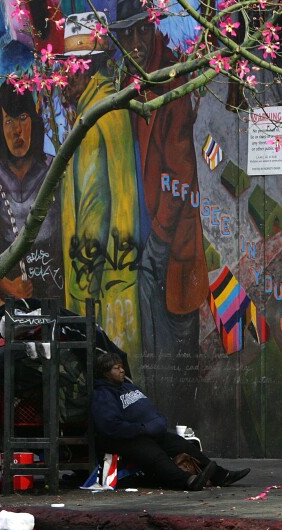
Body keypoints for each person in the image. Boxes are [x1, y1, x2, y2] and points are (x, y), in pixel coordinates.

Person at [110, 0, 209, 423]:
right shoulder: (135, 81)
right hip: (150, 238)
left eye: (140, 32)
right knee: (156, 352)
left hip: (171, 243)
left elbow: (181, 171)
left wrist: (159, 241)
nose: (134, 43)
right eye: (126, 34)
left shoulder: (169, 81)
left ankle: (177, 429)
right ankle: (166, 426)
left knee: (173, 351)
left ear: (152, 30)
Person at [60, 11, 143, 378]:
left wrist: (92, 286)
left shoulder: (98, 117)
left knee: (108, 383)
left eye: (67, 69)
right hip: (105, 282)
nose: (61, 79)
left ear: (85, 69)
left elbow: (107, 206)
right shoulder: (101, 110)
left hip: (101, 287)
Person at [92, 353, 250, 490]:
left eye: (121, 367)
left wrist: (158, 421)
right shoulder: (103, 394)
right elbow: (110, 426)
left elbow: (147, 407)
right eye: (116, 368)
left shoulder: (127, 386)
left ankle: (221, 476)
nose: (122, 370)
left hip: (148, 431)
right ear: (105, 373)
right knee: (155, 455)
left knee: (181, 444)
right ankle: (188, 481)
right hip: (129, 438)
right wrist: (142, 429)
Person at [0, 83, 63, 302]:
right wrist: (8, 288)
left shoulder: (53, 170)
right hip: (10, 301)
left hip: (53, 291)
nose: (16, 130)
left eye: (22, 117)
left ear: (33, 120)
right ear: (0, 128)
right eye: (8, 121)